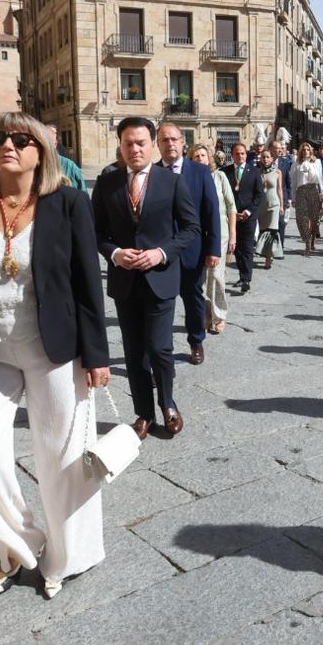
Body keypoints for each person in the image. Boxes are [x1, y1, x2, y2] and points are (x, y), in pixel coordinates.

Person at [0, 113, 110, 602]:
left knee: (63, 460)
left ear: (40, 151)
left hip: (54, 351)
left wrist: (96, 355)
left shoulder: (68, 203)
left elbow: (87, 284)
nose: (6, 145)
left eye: (18, 139)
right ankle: (17, 548)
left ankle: (67, 557)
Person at [93, 117, 199, 440]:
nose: (135, 149)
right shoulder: (107, 183)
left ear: (152, 144)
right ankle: (143, 413)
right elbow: (95, 231)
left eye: (140, 143)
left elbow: (191, 229)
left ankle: (167, 403)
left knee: (159, 347)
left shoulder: (172, 182)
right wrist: (115, 253)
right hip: (125, 281)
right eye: (128, 143)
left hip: (160, 278)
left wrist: (161, 253)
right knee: (134, 350)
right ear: (120, 146)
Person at [156, 124, 220, 367]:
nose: (170, 144)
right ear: (157, 144)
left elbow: (211, 211)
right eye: (164, 140)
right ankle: (162, 349)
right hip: (161, 252)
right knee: (161, 303)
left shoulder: (199, 172)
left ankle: (196, 341)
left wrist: (213, 249)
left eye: (174, 139)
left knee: (193, 299)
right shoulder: (152, 172)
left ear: (183, 142)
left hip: (193, 251)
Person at [194, 143, 236, 333]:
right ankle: (206, 314)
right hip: (197, 235)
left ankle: (219, 314)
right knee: (200, 279)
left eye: (203, 155)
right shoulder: (188, 179)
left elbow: (231, 206)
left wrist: (233, 234)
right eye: (196, 156)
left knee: (216, 275)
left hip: (220, 233)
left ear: (209, 158)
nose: (200, 159)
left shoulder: (219, 177)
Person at [223, 143, 261, 295]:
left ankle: (246, 279)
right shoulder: (225, 172)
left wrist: (248, 211)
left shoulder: (255, 171)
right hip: (232, 216)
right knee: (236, 248)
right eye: (237, 154)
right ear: (232, 155)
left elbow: (259, 195)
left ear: (246, 154)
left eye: (243, 153)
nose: (240, 156)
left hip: (248, 216)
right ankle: (241, 275)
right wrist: (230, 212)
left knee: (247, 247)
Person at [290, 141, 323, 255]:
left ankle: (312, 240)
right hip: (301, 192)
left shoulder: (317, 162)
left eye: (307, 149)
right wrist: (293, 198)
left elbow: (320, 179)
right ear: (301, 152)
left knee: (315, 219)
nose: (305, 151)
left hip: (314, 191)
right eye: (303, 150)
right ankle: (307, 243)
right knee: (302, 219)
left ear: (311, 151)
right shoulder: (296, 164)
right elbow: (293, 183)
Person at [255, 146, 286, 269]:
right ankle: (267, 253)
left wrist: (282, 205)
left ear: (272, 158)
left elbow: (279, 189)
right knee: (263, 230)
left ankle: (268, 257)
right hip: (262, 205)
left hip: (274, 204)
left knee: (272, 231)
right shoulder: (257, 172)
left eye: (268, 157)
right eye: (263, 157)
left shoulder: (278, 172)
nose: (265, 159)